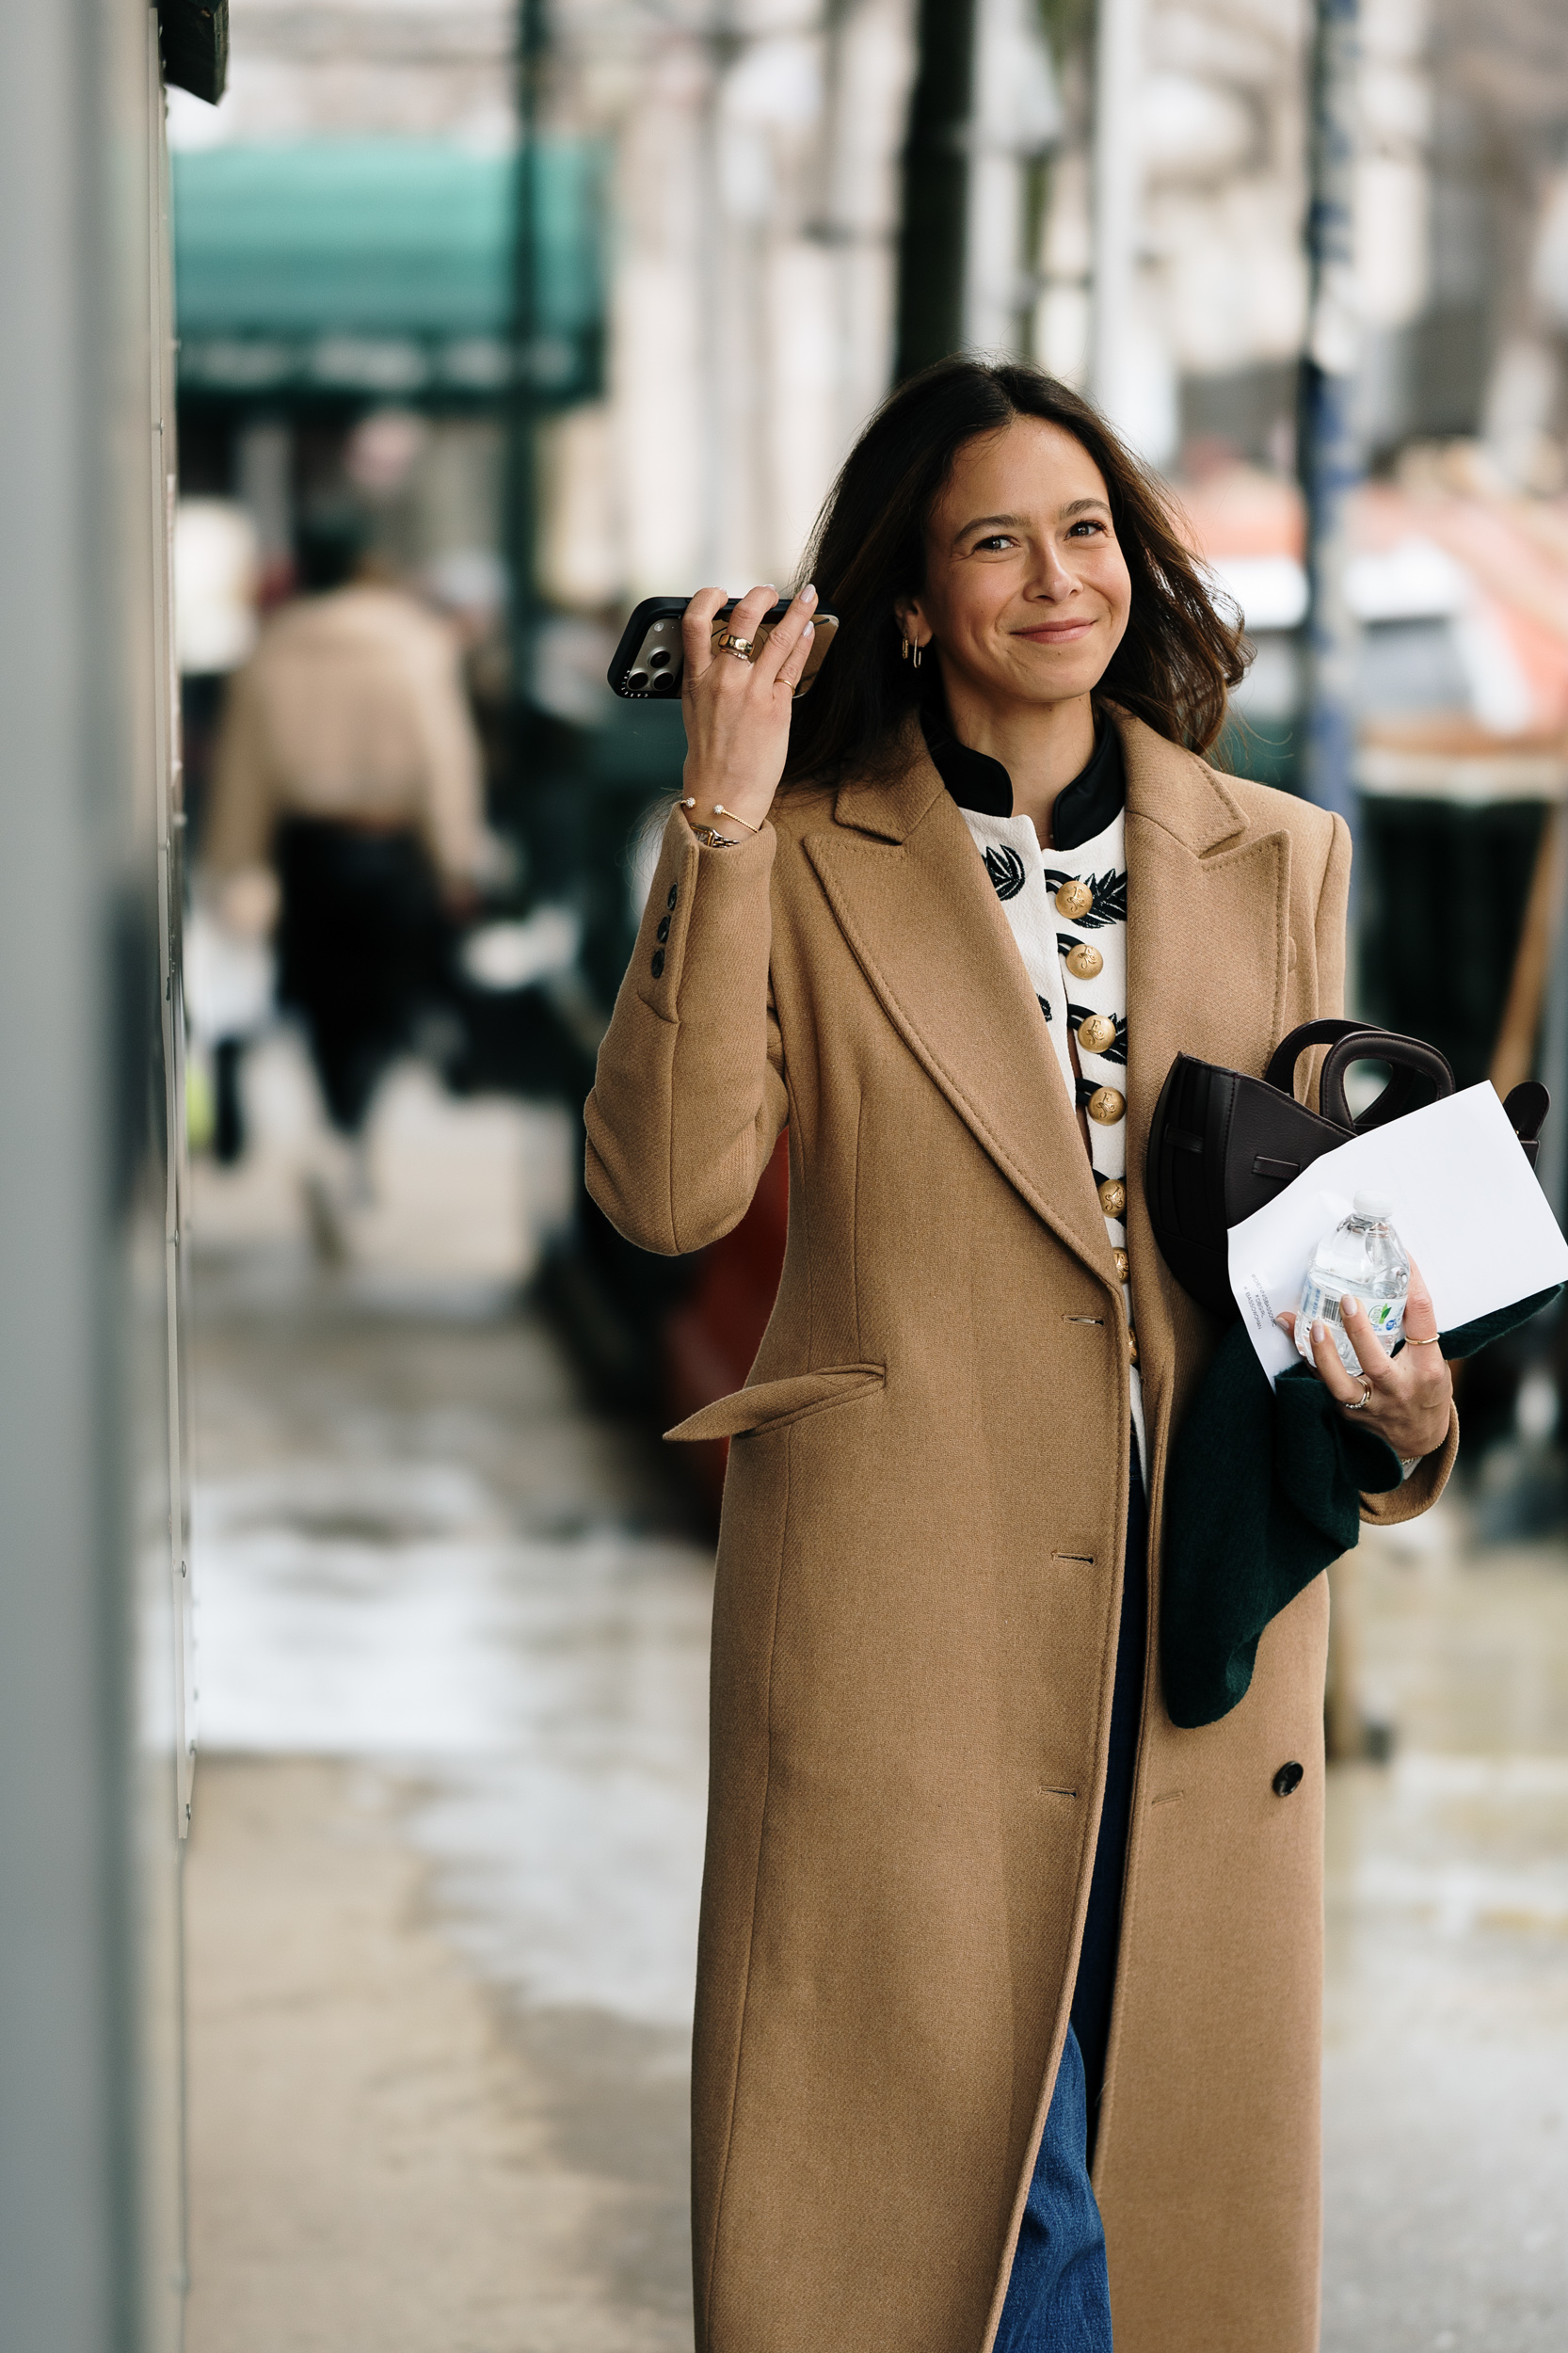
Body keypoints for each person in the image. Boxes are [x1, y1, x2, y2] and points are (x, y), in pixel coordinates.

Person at [584, 360, 1457, 2353]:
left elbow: (1320, 1243)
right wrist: (716, 810)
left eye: (1084, 528)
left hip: (1199, 1605)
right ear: (905, 599)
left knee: (1130, 2157)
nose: (1055, 576)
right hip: (900, 1601)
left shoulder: (1275, 853)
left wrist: (1406, 1413)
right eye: (992, 537)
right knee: (979, 2176)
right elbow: (661, 1189)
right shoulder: (793, 849)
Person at [203, 506, 491, 1195]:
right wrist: (457, 859)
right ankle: (352, 1127)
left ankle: (338, 1125)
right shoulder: (416, 645)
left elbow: (244, 771)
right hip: (390, 848)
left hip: (309, 850)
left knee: (319, 999)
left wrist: (235, 866)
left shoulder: (272, 649)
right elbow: (444, 760)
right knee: (386, 1000)